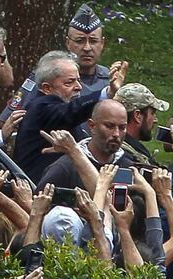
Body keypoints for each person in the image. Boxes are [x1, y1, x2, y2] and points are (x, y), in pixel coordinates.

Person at [13, 51, 126, 183]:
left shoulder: (60, 109)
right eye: (69, 82)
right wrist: (107, 93)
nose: (78, 87)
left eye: (78, 80)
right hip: (36, 193)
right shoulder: (41, 107)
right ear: (47, 88)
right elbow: (71, 111)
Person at [0, 3, 109, 127]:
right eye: (80, 41)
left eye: (93, 41)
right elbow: (7, 121)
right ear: (68, 43)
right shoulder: (48, 74)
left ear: (102, 43)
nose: (87, 48)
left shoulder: (109, 80)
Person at [36, 100, 133, 190]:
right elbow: (37, 205)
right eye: (109, 126)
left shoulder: (128, 168)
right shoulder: (65, 168)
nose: (116, 134)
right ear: (92, 126)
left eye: (122, 128)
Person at [114, 83, 169, 166]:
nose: (155, 120)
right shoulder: (129, 157)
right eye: (152, 113)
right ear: (137, 116)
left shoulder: (110, 146)